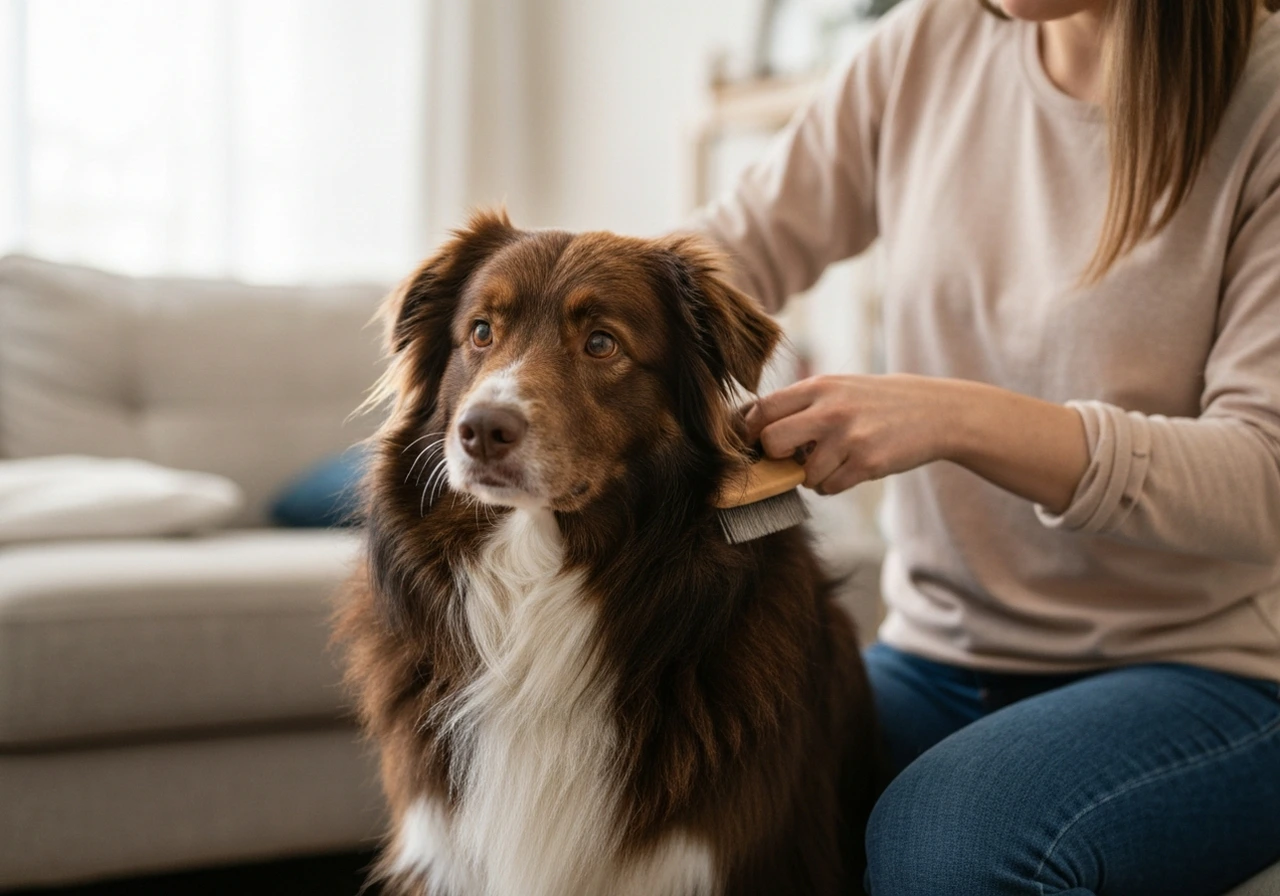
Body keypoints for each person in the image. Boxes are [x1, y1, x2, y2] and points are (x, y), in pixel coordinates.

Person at [691, 1, 1280, 893]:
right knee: (701, 782)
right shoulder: (926, 43)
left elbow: (1262, 477)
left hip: (1206, 673)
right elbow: (735, 246)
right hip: (935, 655)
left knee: (950, 841)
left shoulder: (1264, 103)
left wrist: (957, 419)